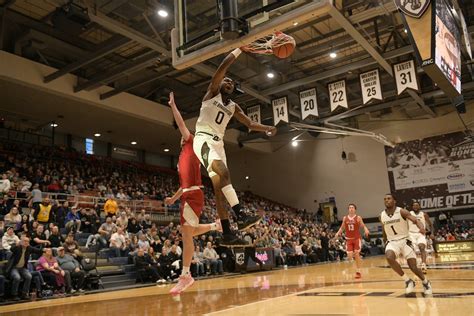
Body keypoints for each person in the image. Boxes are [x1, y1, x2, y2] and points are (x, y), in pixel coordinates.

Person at [192, 48, 277, 245]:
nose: (228, 82)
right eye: (226, 80)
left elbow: (249, 124)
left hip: (218, 143)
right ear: (219, 83)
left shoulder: (233, 107)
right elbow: (222, 68)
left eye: (231, 82)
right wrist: (240, 49)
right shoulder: (212, 94)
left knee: (220, 189)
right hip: (203, 139)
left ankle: (228, 233)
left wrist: (267, 128)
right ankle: (240, 214)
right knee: (224, 173)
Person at [166, 92, 222, 295]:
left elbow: (181, 124)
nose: (183, 135)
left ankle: (186, 275)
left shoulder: (190, 144)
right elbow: (184, 184)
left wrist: (173, 106)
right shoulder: (183, 157)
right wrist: (173, 198)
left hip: (193, 196)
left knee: (187, 235)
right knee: (187, 232)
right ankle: (214, 226)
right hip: (189, 194)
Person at [380, 193, 432, 295]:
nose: (386, 200)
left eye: (389, 199)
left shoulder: (401, 211)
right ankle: (408, 281)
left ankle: (426, 282)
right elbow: (384, 229)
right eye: (385, 199)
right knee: (389, 257)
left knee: (413, 267)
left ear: (394, 201)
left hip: (405, 241)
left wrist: (421, 227)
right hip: (392, 241)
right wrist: (384, 240)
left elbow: (416, 220)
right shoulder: (381, 215)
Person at [334, 203, 369, 279]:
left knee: (356, 254)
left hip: (357, 239)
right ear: (348, 209)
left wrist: (366, 229)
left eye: (352, 207)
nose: (351, 209)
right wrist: (337, 233)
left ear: (355, 209)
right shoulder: (345, 218)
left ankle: (358, 271)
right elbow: (342, 227)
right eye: (350, 207)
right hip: (348, 239)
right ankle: (358, 261)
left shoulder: (358, 217)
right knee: (350, 256)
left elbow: (363, 225)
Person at [409, 201, 433, 274]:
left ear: (419, 206)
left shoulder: (424, 214)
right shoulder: (409, 214)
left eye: (417, 205)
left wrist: (431, 233)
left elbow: (430, 224)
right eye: (414, 205)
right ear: (412, 207)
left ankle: (423, 264)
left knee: (422, 247)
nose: (415, 207)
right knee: (412, 250)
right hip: (411, 234)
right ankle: (415, 266)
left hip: (421, 233)